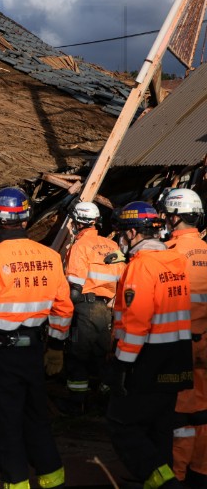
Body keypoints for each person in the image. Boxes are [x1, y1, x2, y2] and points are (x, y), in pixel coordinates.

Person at [0, 187, 72, 489]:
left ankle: (17, 483)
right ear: (26, 217)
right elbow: (63, 307)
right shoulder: (50, 256)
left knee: (6, 424)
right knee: (37, 418)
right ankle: (53, 481)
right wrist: (57, 347)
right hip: (35, 351)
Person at [107, 201, 193, 489]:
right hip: (178, 355)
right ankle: (164, 477)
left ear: (132, 233)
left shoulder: (141, 267)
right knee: (160, 428)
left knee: (122, 424)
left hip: (147, 358)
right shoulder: (176, 262)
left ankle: (165, 483)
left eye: (121, 233)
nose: (120, 239)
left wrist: (121, 365)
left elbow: (136, 322)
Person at [56, 201, 125, 415]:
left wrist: (61, 312)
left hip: (85, 307)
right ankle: (105, 400)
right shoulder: (112, 246)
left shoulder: (79, 246)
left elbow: (75, 289)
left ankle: (77, 403)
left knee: (78, 357)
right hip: (107, 309)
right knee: (102, 355)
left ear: (77, 223)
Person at [160, 189, 207, 486]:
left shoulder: (166, 256)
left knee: (179, 415)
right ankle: (202, 470)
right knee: (204, 411)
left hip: (178, 347)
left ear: (174, 216)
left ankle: (176, 474)